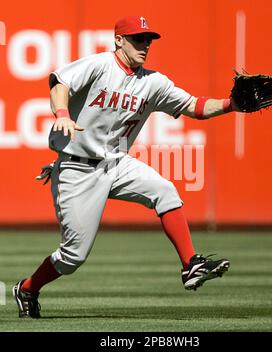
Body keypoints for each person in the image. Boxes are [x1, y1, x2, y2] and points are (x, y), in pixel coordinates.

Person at [13, 15, 234, 319]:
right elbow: (59, 82)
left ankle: (190, 264)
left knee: (164, 190)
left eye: (148, 40)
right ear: (119, 40)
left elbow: (195, 106)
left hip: (117, 162)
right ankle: (27, 288)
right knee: (72, 256)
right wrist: (62, 113)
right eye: (137, 39)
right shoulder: (100, 65)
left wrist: (230, 105)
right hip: (76, 169)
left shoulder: (153, 82)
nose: (145, 45)